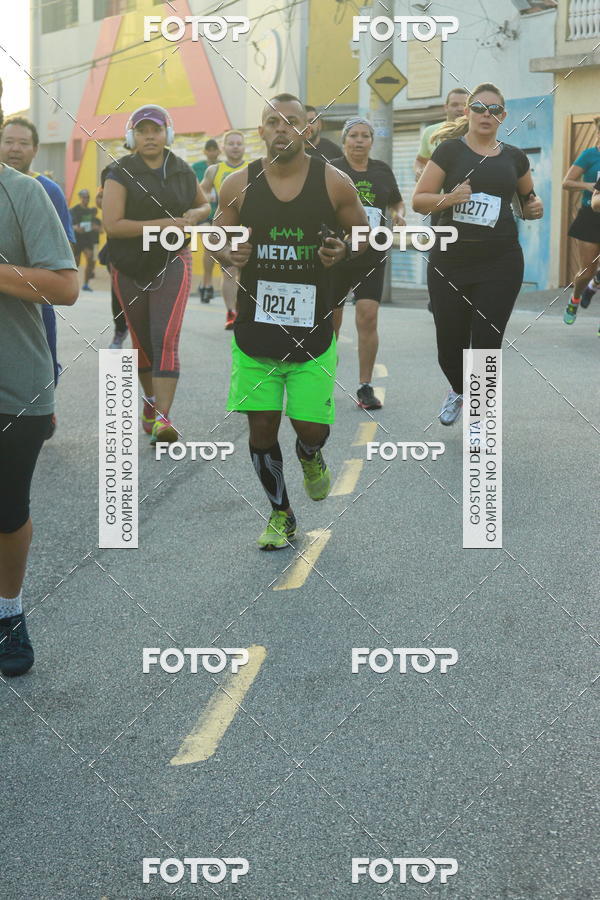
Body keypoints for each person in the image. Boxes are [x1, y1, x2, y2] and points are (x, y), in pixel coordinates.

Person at [213, 93, 369, 550]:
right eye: (272, 121)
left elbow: (364, 235)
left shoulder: (334, 182)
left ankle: (310, 453)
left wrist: (343, 251)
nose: (282, 129)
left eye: (291, 122)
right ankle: (281, 514)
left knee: (311, 430)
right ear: (260, 131)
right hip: (254, 334)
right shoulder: (237, 184)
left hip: (313, 334)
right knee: (260, 430)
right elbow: (217, 238)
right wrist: (228, 252)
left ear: (308, 130)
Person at [0, 77, 79, 677]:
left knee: (7, 510)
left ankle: (9, 612)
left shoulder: (23, 193)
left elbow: (64, 286)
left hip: (13, 385)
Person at [413, 83, 543, 426]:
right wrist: (449, 199)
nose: (487, 115)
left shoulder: (515, 157)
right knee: (449, 345)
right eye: (480, 108)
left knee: (486, 345)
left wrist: (535, 207)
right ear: (468, 112)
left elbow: (528, 201)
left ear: (504, 116)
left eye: (495, 110)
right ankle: (458, 389)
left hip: (501, 261)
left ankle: (480, 423)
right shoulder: (449, 153)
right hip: (450, 261)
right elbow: (419, 199)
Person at [102, 104, 210, 444]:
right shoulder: (118, 172)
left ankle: (163, 418)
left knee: (165, 337)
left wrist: (196, 213)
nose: (150, 136)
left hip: (173, 259)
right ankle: (150, 401)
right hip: (129, 266)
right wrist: (165, 222)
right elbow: (113, 225)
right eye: (142, 130)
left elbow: (204, 204)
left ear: (168, 134)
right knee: (141, 342)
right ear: (131, 136)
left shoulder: (182, 170)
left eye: (156, 130)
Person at [0, 114, 76, 439]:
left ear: (35, 150)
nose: (15, 148)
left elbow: (60, 262)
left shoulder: (41, 191)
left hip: (33, 303)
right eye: (10, 141)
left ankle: (47, 406)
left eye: (23, 143)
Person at [329, 117, 405, 410]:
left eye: (365, 136)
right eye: (354, 136)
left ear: (372, 141)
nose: (359, 141)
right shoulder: (332, 169)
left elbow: (396, 201)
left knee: (368, 316)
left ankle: (364, 386)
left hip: (372, 253)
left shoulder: (381, 170)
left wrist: (398, 214)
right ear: (345, 140)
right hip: (337, 252)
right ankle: (323, 381)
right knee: (331, 322)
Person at [200, 131, 247, 328]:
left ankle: (244, 310)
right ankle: (231, 313)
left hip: (249, 227)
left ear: (244, 147)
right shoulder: (214, 170)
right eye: (231, 143)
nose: (235, 146)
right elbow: (201, 192)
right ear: (224, 148)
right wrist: (205, 203)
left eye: (239, 143)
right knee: (229, 270)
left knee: (246, 273)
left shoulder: (254, 168)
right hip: (225, 226)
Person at [561, 117, 600, 323]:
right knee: (587, 271)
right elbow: (566, 182)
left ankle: (593, 287)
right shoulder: (590, 155)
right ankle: (575, 298)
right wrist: (589, 186)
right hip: (590, 216)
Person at [95, 182, 129, 349]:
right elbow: (99, 199)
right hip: (118, 246)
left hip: (150, 243)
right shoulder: (115, 174)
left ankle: (152, 342)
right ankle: (120, 331)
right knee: (118, 292)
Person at [414, 89, 469, 180]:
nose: (460, 109)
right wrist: (418, 171)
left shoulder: (476, 132)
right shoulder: (430, 131)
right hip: (435, 193)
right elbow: (420, 160)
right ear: (446, 107)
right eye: (454, 105)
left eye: (464, 105)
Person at [192, 138, 220, 302]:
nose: (211, 152)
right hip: (202, 214)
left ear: (218, 151)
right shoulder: (196, 168)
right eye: (208, 149)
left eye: (214, 149)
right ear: (205, 151)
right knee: (210, 244)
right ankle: (207, 284)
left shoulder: (222, 167)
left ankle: (204, 284)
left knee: (217, 248)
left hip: (221, 214)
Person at [70, 188, 101, 291]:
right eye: (84, 197)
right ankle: (71, 284)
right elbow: (69, 224)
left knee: (90, 259)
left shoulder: (90, 211)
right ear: (80, 198)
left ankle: (86, 284)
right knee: (76, 263)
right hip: (77, 239)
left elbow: (97, 227)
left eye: (87, 197)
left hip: (88, 240)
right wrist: (76, 228)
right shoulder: (74, 210)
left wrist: (93, 227)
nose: (86, 199)